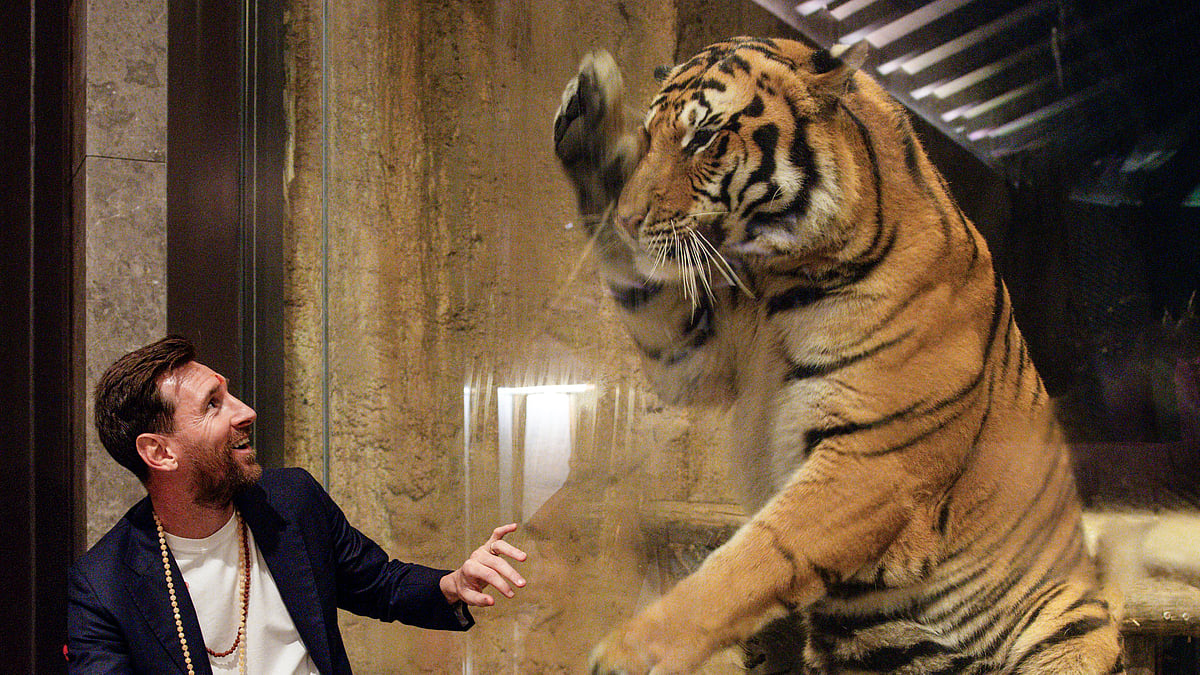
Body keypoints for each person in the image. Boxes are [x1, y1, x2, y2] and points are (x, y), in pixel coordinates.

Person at [67, 335, 527, 674]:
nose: (244, 411)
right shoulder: (104, 585)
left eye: (228, 394)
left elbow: (378, 583)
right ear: (160, 453)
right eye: (213, 405)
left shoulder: (290, 500)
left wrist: (453, 583)